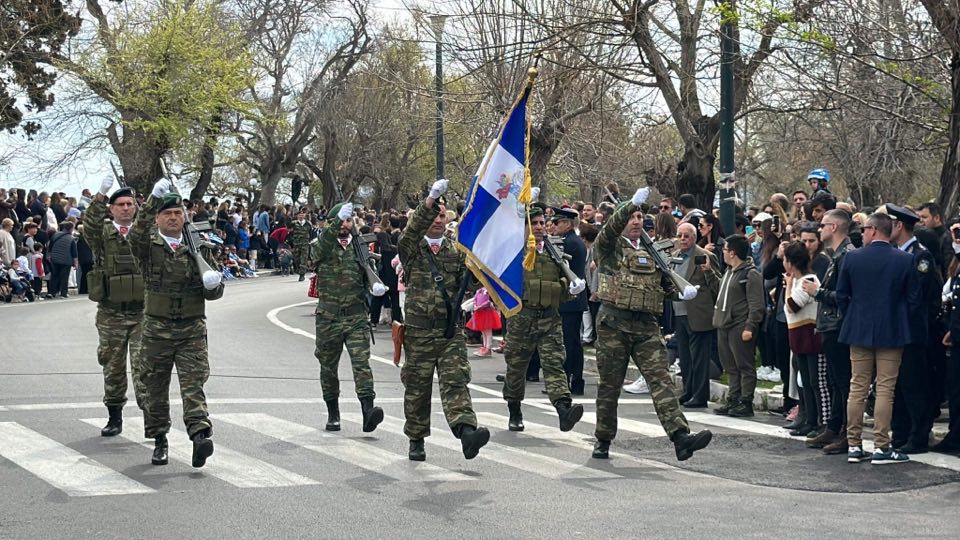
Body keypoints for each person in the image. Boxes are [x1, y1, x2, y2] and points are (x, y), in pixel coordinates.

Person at [591, 186, 712, 461]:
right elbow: (608, 231)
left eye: (639, 217)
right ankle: (603, 438)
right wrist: (627, 206)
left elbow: (660, 287)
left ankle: (681, 437)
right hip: (614, 324)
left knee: (661, 381)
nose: (636, 221)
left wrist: (682, 290)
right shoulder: (609, 248)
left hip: (646, 326)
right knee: (609, 386)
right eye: (631, 216)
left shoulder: (653, 251)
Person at [131, 180, 224, 468]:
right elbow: (135, 237)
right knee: (155, 387)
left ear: (184, 217)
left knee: (193, 384)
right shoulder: (149, 246)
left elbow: (215, 290)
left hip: (191, 330)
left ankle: (199, 435)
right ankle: (160, 439)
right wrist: (148, 204)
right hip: (157, 331)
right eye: (167, 213)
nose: (173, 218)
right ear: (158, 218)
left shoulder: (199, 247)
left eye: (177, 213)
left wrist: (213, 284)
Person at [397, 179, 489, 462]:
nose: (438, 220)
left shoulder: (457, 251)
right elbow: (409, 235)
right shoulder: (412, 249)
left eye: (442, 215)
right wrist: (429, 200)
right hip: (419, 332)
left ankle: (466, 432)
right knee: (418, 387)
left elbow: (470, 282)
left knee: (456, 381)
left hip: (449, 332)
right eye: (434, 215)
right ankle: (416, 438)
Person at [836, 212, 919, 464]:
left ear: (873, 230)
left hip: (858, 328)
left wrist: (853, 314)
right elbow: (914, 299)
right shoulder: (904, 260)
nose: (862, 234)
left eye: (864, 230)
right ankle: (882, 446)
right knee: (885, 388)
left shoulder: (852, 258)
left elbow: (842, 295)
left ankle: (854, 444)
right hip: (891, 330)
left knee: (857, 387)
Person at [501, 206, 585, 433]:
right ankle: (514, 409)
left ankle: (563, 409)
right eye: (534, 223)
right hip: (522, 319)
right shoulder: (514, 253)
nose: (539, 227)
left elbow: (564, 285)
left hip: (549, 319)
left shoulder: (555, 252)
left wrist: (570, 288)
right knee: (516, 368)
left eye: (541, 223)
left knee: (554, 364)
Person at [310, 202, 386, 433]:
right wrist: (333, 226)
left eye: (348, 220)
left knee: (362, 364)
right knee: (328, 367)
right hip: (328, 318)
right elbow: (314, 255)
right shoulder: (322, 245)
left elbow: (369, 273)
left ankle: (368, 410)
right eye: (341, 220)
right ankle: (333, 413)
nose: (345, 225)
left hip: (356, 317)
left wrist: (375, 284)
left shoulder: (360, 247)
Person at [81, 178, 147, 437]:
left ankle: (152, 420)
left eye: (130, 204)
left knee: (144, 368)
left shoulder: (144, 235)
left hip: (142, 313)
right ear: (112, 208)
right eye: (120, 204)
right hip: (111, 313)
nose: (126, 208)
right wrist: (100, 195)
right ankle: (114, 416)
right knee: (113, 367)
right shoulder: (102, 235)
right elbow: (90, 224)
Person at [887, 204, 942, 455]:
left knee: (914, 385)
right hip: (898, 331)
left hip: (914, 331)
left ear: (899, 225)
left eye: (891, 223)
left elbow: (917, 298)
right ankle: (900, 433)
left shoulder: (920, 256)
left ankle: (918, 436)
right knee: (898, 385)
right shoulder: (896, 253)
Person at [801, 209, 855, 454]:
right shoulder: (837, 255)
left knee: (843, 382)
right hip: (829, 325)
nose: (819, 229)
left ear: (833, 227)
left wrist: (818, 292)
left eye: (823, 225)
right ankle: (833, 426)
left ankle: (846, 431)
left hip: (838, 325)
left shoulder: (847, 255)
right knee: (834, 380)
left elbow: (845, 296)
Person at [712, 234, 765, 417]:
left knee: (745, 365)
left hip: (739, 325)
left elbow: (756, 304)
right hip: (724, 324)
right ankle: (733, 398)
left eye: (725, 250)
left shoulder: (750, 274)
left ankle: (745, 401)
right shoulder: (728, 272)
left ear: (733, 253)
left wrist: (750, 326)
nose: (723, 253)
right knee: (730, 366)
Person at [672, 223, 721, 408]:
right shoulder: (674, 257)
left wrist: (708, 272)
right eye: (680, 235)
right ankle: (688, 390)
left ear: (694, 237)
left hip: (699, 313)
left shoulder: (705, 256)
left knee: (699, 358)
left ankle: (700, 395)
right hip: (679, 312)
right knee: (684, 356)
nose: (683, 239)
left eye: (687, 235)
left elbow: (717, 286)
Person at [781, 242, 823, 436]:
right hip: (797, 338)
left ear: (791, 263)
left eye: (785, 259)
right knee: (803, 380)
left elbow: (792, 306)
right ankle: (806, 418)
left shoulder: (808, 280)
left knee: (813, 381)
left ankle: (816, 421)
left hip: (809, 338)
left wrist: (788, 285)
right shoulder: (799, 281)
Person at [553, 207, 589, 395]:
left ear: (567, 224)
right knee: (572, 341)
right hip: (573, 299)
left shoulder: (570, 243)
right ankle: (574, 379)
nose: (553, 226)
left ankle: (571, 379)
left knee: (569, 342)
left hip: (570, 299)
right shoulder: (573, 241)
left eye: (557, 223)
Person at [465, 287, 501, 356]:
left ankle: (488, 348)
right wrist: (475, 305)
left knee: (487, 331)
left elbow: (488, 301)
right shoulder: (479, 290)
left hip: (487, 312)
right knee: (483, 331)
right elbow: (475, 298)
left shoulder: (488, 290)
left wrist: (480, 306)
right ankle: (484, 347)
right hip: (480, 312)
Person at [47, 221, 77, 298]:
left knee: (54, 276)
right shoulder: (71, 238)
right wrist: (75, 263)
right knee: (64, 277)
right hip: (66, 260)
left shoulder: (55, 235)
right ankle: (63, 293)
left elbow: (50, 247)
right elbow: (74, 252)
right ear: (71, 229)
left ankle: (52, 292)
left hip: (55, 258)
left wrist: (50, 256)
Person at [288, 208, 312, 281]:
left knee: (303, 259)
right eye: (299, 214)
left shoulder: (308, 224)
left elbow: (311, 233)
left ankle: (302, 274)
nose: (301, 216)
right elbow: (289, 231)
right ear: (297, 216)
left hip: (305, 244)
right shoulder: (294, 223)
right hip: (296, 244)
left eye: (302, 214)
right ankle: (298, 270)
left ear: (304, 215)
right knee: (297, 259)